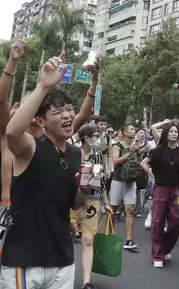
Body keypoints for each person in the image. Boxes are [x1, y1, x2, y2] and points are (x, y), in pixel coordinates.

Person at [0, 51, 83, 289]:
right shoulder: (30, 148)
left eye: (69, 108)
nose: (67, 115)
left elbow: (75, 204)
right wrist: (44, 87)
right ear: (41, 121)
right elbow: (12, 132)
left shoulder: (76, 153)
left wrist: (88, 188)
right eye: (57, 112)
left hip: (63, 260)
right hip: (25, 261)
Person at [72, 124, 113, 289]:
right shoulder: (72, 152)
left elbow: (101, 181)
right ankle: (63, 274)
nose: (97, 139)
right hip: (70, 199)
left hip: (92, 200)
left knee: (88, 240)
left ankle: (86, 281)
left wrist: (106, 202)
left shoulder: (98, 156)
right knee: (67, 235)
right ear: (85, 138)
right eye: (95, 136)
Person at [140, 124, 179, 268]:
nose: (174, 134)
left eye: (176, 131)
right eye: (171, 131)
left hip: (175, 189)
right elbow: (143, 164)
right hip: (161, 188)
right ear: (165, 134)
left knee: (177, 222)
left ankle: (165, 249)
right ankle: (157, 255)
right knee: (158, 222)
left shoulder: (178, 151)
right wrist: (154, 176)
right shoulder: (157, 150)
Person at [109, 125, 142, 251]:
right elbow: (115, 161)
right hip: (118, 181)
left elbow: (139, 162)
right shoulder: (118, 145)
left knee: (130, 210)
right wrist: (130, 153)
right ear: (123, 132)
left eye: (134, 130)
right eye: (131, 129)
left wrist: (138, 153)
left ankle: (128, 239)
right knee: (113, 208)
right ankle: (110, 234)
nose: (134, 131)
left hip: (131, 182)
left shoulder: (134, 146)